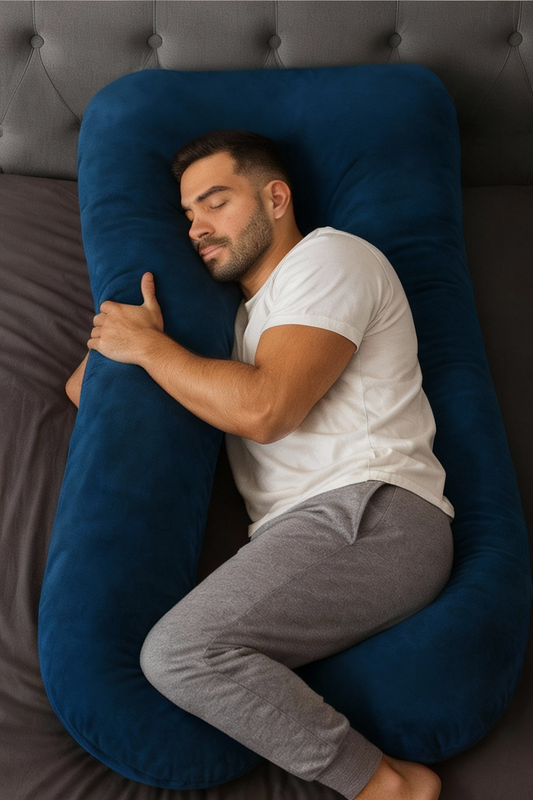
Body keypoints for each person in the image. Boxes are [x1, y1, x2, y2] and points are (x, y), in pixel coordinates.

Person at [66, 130, 454, 800]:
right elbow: (83, 394)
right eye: (188, 214)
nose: (197, 227)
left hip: (375, 511)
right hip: (310, 530)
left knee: (182, 653)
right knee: (179, 654)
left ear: (275, 198)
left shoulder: (328, 259)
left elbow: (267, 409)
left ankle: (387, 786)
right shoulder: (238, 323)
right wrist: (129, 333)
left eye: (215, 202)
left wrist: (151, 350)